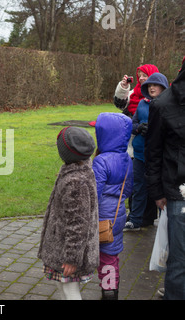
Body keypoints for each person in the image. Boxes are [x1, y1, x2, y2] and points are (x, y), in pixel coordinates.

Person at [38, 126, 99, 300]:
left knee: (70, 290)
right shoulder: (79, 170)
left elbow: (78, 224)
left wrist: (72, 258)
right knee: (62, 286)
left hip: (70, 250)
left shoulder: (75, 181)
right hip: (62, 245)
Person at [145, 58, 185, 300]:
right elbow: (153, 151)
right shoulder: (163, 104)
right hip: (178, 192)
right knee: (180, 260)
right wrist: (157, 191)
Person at [92, 112, 133, 300]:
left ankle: (107, 294)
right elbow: (129, 188)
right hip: (118, 215)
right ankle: (111, 291)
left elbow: (94, 193)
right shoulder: (126, 158)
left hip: (102, 217)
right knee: (111, 257)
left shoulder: (101, 160)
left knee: (103, 256)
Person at [124, 73, 169, 231]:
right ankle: (135, 220)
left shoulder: (168, 105)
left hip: (160, 156)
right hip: (140, 154)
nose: (151, 87)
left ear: (163, 87)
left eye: (155, 85)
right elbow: (133, 123)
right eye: (149, 85)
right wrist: (138, 128)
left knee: (161, 189)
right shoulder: (142, 104)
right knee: (138, 188)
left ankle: (165, 223)